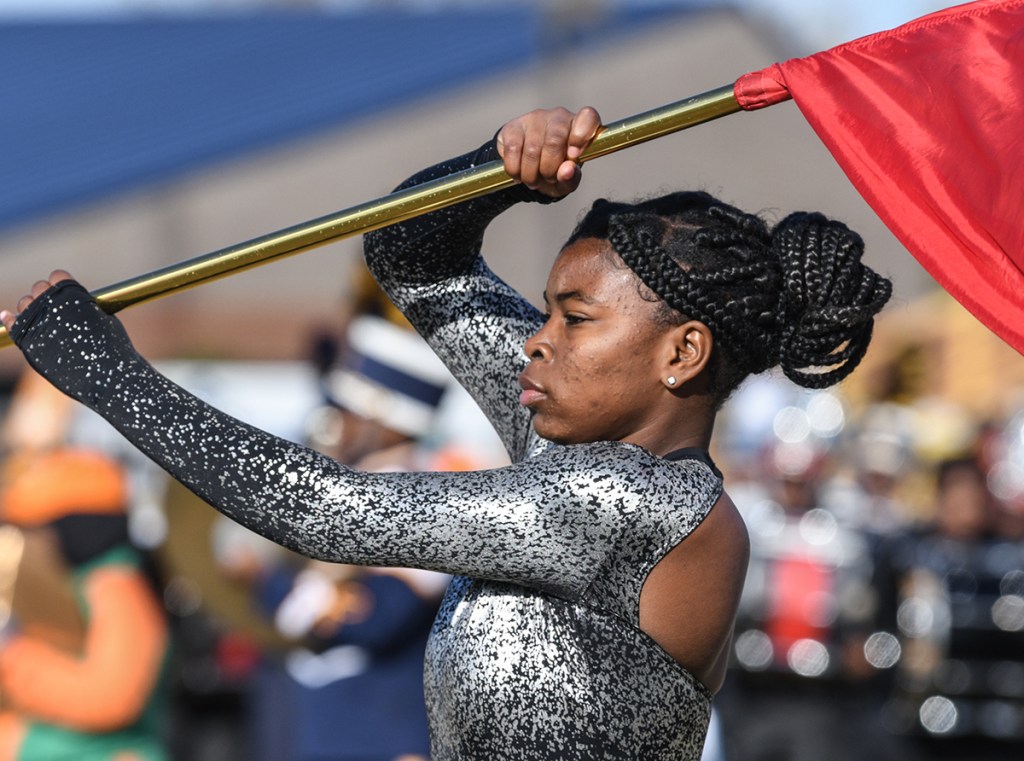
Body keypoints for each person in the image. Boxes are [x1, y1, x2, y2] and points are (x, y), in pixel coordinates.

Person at [0, 106, 892, 760]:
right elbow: (410, 258)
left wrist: (104, 372)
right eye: (545, 310)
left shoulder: (633, 498)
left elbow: (324, 507)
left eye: (577, 318)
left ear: (682, 352)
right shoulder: (568, 451)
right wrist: (495, 171)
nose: (537, 338)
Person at [0, 447, 170, 761]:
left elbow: (111, 696)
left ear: (70, 528)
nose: (25, 544)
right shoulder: (82, 582)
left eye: (32, 530)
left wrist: (11, 654)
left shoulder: (116, 586)